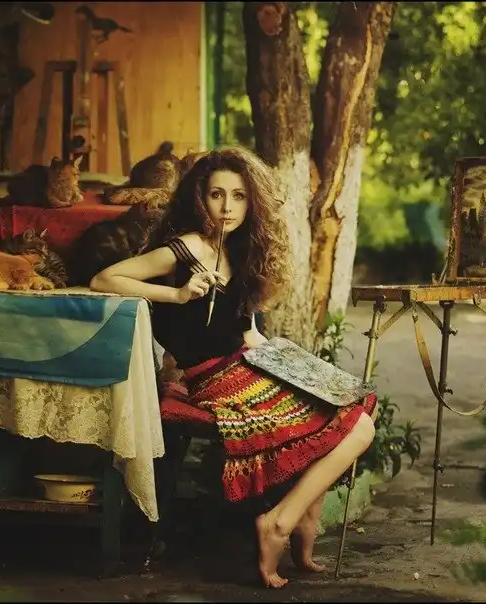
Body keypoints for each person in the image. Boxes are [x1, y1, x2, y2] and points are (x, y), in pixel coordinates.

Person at [90, 146, 377, 589]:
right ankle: (279, 523)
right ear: (200, 198)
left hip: (246, 365)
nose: (227, 207)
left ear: (251, 202)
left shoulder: (240, 253)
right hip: (212, 378)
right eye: (217, 194)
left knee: (349, 406)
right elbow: (105, 279)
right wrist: (178, 295)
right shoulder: (187, 247)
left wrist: (301, 368)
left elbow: (248, 335)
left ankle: (304, 515)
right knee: (359, 428)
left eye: (239, 196)